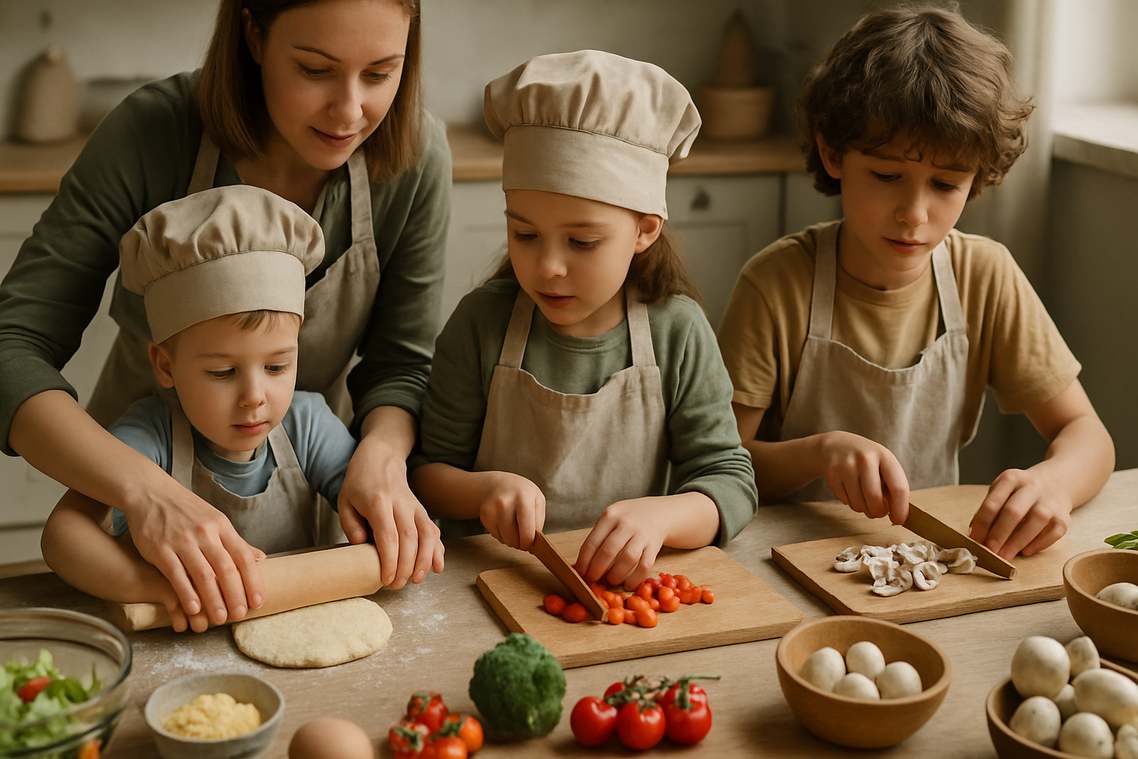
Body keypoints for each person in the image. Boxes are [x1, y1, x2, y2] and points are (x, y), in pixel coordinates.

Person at [0, 0, 448, 629]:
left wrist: (379, 459)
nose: (350, 111)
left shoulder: (415, 157)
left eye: (379, 74)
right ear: (253, 32)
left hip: (298, 516)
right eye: (316, 70)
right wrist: (144, 492)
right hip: (131, 491)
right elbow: (11, 347)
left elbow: (403, 365)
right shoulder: (155, 132)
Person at [716, 7, 1114, 560]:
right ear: (832, 151)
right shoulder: (776, 283)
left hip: (923, 556)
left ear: (978, 178)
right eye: (886, 175)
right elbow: (720, 463)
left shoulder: (985, 275)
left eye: (946, 184)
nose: (914, 213)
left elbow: (1086, 433)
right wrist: (820, 453)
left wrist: (1055, 484)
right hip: (786, 556)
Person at [409, 50, 758, 588]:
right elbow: (428, 473)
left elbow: (731, 480)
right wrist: (482, 491)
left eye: (582, 241)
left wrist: (663, 516)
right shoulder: (481, 324)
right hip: (484, 589)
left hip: (624, 593)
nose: (547, 267)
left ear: (644, 230)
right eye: (524, 234)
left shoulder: (677, 332)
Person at [41, 185, 360, 633]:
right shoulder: (149, 437)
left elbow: (367, 504)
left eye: (276, 365)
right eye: (222, 372)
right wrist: (165, 589)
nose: (254, 396)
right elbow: (62, 537)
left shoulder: (308, 426)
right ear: (165, 365)